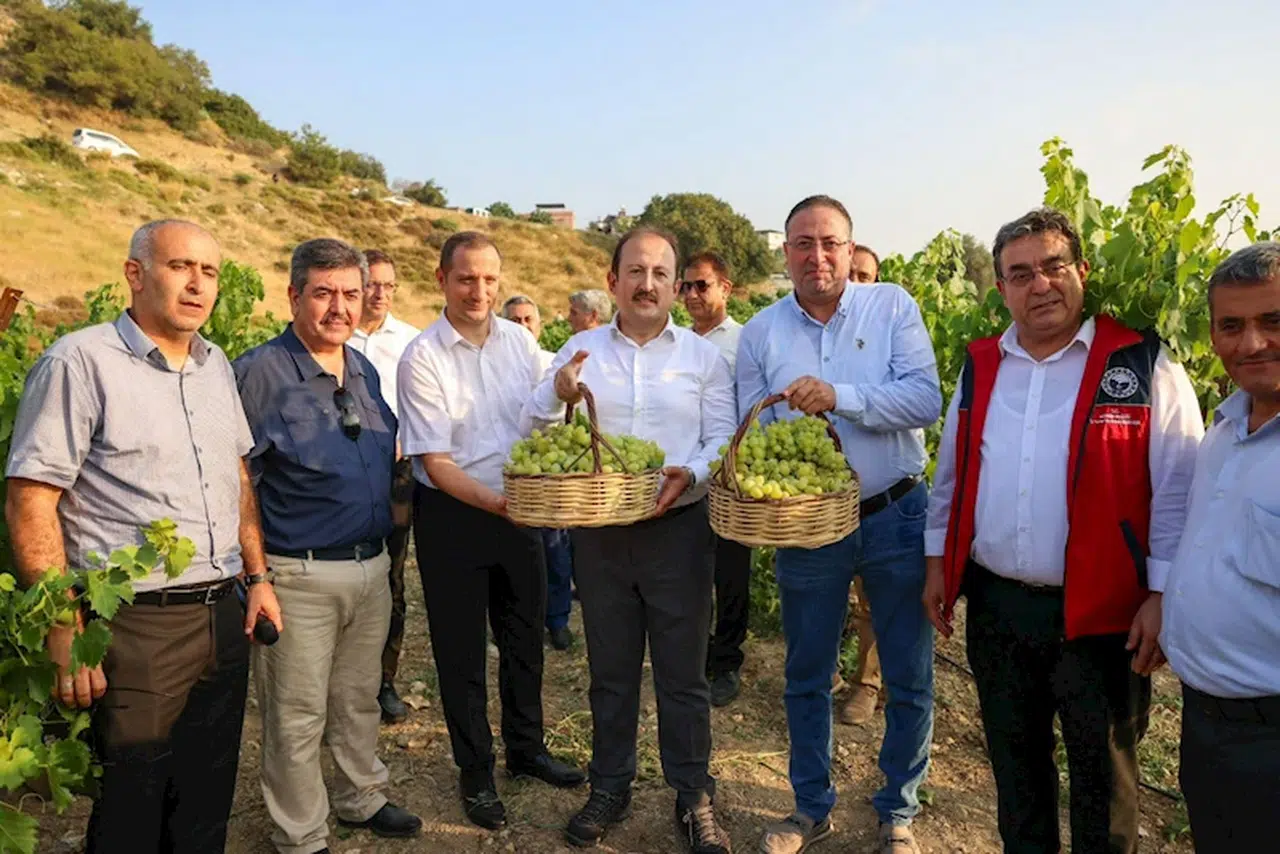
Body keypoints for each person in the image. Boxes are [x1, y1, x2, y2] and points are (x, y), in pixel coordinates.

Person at [922, 207, 1204, 854]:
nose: (1040, 284)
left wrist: (1162, 595)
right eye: (1021, 274)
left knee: (1104, 780)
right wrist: (938, 562)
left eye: (1054, 266)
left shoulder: (1140, 362)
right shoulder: (982, 365)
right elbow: (952, 474)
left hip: (1103, 615)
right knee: (1016, 769)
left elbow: (1178, 491)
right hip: (999, 608)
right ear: (1001, 289)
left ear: (1082, 270)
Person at [4, 219, 282, 854]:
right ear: (135, 274)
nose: (198, 284)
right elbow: (31, 498)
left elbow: (236, 476)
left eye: (209, 272)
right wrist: (63, 624)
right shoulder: (79, 362)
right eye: (181, 266)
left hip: (222, 613)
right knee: (131, 804)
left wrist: (258, 575)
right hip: (135, 627)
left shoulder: (215, 366)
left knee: (206, 799)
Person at [738, 196, 942, 854]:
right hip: (808, 523)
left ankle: (898, 812)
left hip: (896, 515)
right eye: (803, 243)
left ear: (851, 250)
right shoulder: (761, 332)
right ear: (786, 253)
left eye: (830, 242)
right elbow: (749, 433)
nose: (817, 255)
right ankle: (810, 808)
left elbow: (926, 399)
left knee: (908, 674)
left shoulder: (892, 307)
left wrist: (840, 398)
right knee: (806, 673)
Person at [523, 227, 737, 853]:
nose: (648, 284)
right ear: (612, 280)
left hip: (681, 532)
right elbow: (534, 420)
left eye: (660, 273)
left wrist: (690, 473)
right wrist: (557, 391)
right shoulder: (581, 349)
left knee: (683, 674)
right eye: (635, 272)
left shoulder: (703, 358)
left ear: (675, 284)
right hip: (601, 535)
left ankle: (693, 794)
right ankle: (610, 785)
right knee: (611, 670)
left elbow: (722, 438)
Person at [234, 238, 422, 854]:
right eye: (323, 293)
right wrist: (257, 577)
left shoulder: (363, 368)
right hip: (298, 573)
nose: (339, 307)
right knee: (296, 712)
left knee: (357, 698)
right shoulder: (260, 373)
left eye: (350, 294)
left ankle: (360, 796)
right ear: (294, 296)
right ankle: (301, 833)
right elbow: (237, 481)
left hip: (370, 567)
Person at [398, 233, 586, 832]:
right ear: (441, 280)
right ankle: (475, 771)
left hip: (518, 508)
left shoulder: (521, 342)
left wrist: (561, 393)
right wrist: (500, 504)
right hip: (453, 515)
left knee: (524, 638)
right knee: (460, 653)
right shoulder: (421, 356)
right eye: (465, 279)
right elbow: (435, 463)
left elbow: (541, 416)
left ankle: (526, 750)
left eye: (488, 280)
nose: (478, 291)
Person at [1161, 241, 1280, 849]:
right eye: (1231, 326)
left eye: (1273, 321)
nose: (1251, 343)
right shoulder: (1225, 430)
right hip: (1207, 723)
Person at [349, 248, 420, 725]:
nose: (380, 294)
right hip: (341, 474)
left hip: (395, 476)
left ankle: (383, 679)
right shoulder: (335, 336)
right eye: (372, 284)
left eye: (388, 285)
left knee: (391, 576)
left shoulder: (411, 342)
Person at [680, 250, 751, 708]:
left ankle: (726, 661)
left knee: (731, 573)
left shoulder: (744, 343)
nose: (691, 295)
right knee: (688, 570)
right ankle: (695, 651)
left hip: (729, 479)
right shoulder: (677, 342)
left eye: (701, 285)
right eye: (685, 286)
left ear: (725, 288)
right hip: (686, 476)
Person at [501, 294, 577, 651]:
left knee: (556, 550)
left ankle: (557, 620)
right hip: (510, 474)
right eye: (513, 320)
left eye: (527, 319)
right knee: (512, 556)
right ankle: (516, 619)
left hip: (550, 476)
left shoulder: (554, 365)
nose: (521, 326)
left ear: (539, 325)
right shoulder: (493, 366)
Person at [837, 243, 884, 727]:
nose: (854, 283)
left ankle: (868, 683)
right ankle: (831, 673)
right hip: (823, 500)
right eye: (849, 274)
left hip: (876, 499)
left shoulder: (888, 333)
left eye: (864, 276)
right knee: (830, 596)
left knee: (872, 599)